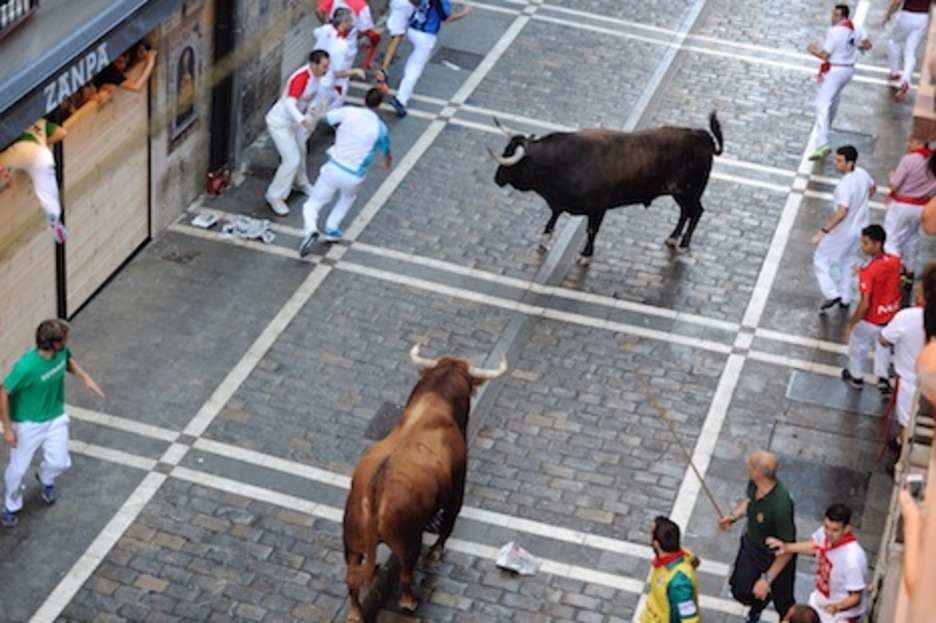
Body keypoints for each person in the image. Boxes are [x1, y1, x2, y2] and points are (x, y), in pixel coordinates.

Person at [1, 319, 104, 529]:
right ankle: (11, 506)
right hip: (28, 424)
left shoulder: (61, 352)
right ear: (54, 343)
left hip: (55, 417)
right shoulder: (26, 367)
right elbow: (3, 392)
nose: (67, 342)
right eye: (64, 339)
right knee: (18, 470)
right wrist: (9, 429)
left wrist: (85, 377)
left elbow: (68, 361)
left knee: (60, 463)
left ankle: (45, 478)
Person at [298, 87, 392, 257]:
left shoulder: (349, 112)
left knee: (312, 204)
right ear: (379, 106)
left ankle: (310, 228)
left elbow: (326, 119)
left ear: (364, 100)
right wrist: (387, 165)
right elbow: (386, 153)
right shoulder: (380, 128)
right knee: (347, 198)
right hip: (355, 175)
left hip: (334, 167)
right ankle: (332, 228)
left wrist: (324, 108)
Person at [718, 451, 797, 623]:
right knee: (740, 588)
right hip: (752, 546)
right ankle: (759, 603)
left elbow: (788, 548)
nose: (747, 465)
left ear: (757, 472)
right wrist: (733, 516)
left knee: (784, 604)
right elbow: (749, 501)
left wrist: (767, 579)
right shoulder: (755, 484)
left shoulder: (781, 506)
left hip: (775, 554)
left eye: (750, 464)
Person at [766, 503, 868, 623]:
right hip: (819, 603)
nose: (828, 533)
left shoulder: (853, 559)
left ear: (846, 529)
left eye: (835, 530)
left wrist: (836, 607)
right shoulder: (825, 535)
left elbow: (856, 597)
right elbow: (815, 545)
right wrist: (787, 547)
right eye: (826, 527)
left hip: (840, 615)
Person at [264, 49, 331, 217]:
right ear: (313, 64)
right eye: (324, 66)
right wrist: (303, 120)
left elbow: (302, 100)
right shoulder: (302, 78)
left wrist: (310, 110)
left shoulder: (316, 77)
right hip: (280, 123)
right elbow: (289, 103)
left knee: (301, 150)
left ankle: (301, 183)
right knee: (291, 160)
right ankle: (275, 196)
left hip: (293, 122)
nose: (326, 70)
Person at [813, 145, 875, 312]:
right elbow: (872, 188)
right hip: (861, 229)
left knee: (821, 258)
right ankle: (846, 297)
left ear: (849, 163)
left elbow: (842, 212)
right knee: (848, 260)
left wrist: (823, 231)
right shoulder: (862, 174)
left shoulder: (844, 186)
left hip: (844, 231)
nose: (835, 163)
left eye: (839, 160)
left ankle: (831, 293)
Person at [806, 4, 872, 161]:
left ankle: (822, 142)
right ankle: (825, 131)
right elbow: (868, 44)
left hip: (835, 70)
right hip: (848, 70)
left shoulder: (834, 32)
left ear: (843, 16)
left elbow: (825, 55)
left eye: (836, 15)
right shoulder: (856, 27)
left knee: (822, 104)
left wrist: (812, 50)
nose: (832, 17)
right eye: (833, 14)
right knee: (834, 101)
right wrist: (857, 45)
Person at [879, 263, 933, 453]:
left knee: (907, 424)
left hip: (911, 382)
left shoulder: (907, 317)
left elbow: (884, 339)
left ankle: (903, 457)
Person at [841, 225, 902, 393]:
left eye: (866, 243)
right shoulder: (895, 261)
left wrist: (851, 323)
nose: (862, 245)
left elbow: (865, 303)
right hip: (890, 315)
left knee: (857, 345)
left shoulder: (869, 272)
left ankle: (856, 375)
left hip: (871, 319)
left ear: (877, 244)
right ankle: (882, 377)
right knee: (883, 345)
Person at [388, 0, 472, 117]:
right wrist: (464, 12)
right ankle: (401, 99)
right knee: (416, 68)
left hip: (413, 27)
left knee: (413, 61)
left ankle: (405, 85)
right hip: (426, 35)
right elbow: (447, 18)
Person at [0, 119, 69, 243]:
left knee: (3, 161)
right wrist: (45, 143)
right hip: (41, 154)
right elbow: (62, 133)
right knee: (47, 191)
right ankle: (54, 216)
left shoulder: (16, 117)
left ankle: (5, 173)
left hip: (20, 149)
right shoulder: (42, 122)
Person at [883, 134, 936, 280]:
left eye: (911, 140)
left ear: (921, 142)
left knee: (891, 239)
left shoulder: (909, 159)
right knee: (911, 237)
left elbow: (895, 185)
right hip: (921, 206)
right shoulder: (932, 161)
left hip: (901, 205)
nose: (908, 144)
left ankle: (895, 270)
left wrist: (891, 177)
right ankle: (909, 269)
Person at [640, 515, 700, 623]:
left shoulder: (679, 583)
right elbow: (695, 561)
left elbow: (690, 619)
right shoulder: (682, 553)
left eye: (651, 534)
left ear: (656, 544)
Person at [313, 8, 367, 111]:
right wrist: (356, 71)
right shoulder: (342, 45)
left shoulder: (326, 29)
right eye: (350, 20)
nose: (352, 23)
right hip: (326, 82)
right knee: (315, 111)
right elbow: (338, 73)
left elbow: (315, 33)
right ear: (344, 22)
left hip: (314, 74)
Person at [883, 0, 933, 102]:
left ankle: (895, 72)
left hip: (907, 15)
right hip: (922, 17)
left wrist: (888, 15)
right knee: (910, 52)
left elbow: (897, 2)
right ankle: (905, 80)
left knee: (895, 42)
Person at [374, 0, 417, 93]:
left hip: (400, 4)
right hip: (406, 5)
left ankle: (384, 70)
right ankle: (383, 71)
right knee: (397, 37)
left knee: (397, 37)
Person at [92, 44, 158, 102]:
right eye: (119, 62)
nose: (123, 66)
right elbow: (136, 86)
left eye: (125, 61)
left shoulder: (130, 48)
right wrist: (150, 63)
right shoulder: (110, 71)